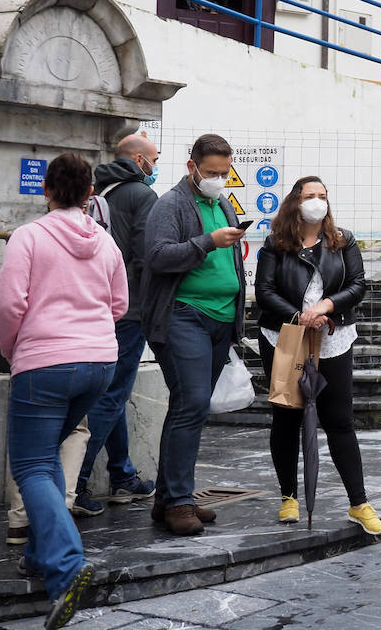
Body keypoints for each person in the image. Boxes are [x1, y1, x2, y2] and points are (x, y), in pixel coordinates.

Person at [0, 152, 126, 630]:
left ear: (45, 190)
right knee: (46, 453)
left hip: (42, 363)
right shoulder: (106, 243)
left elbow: (10, 303)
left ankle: (68, 567)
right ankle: (38, 555)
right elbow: (119, 304)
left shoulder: (29, 236)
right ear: (92, 194)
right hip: (98, 364)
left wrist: (15, 351)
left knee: (29, 464)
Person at [254, 176, 381, 535]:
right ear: (295, 201)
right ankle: (288, 497)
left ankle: (359, 503)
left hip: (333, 338)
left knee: (339, 419)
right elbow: (263, 291)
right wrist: (300, 316)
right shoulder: (275, 244)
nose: (317, 201)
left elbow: (358, 284)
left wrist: (326, 306)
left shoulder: (342, 240)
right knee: (286, 417)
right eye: (310, 196)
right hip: (286, 336)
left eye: (322, 196)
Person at [141, 133, 247, 536]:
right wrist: (207, 242)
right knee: (193, 403)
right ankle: (180, 502)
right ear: (192, 167)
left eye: (225, 172)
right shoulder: (169, 205)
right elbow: (157, 256)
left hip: (220, 320)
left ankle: (168, 498)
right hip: (183, 316)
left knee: (188, 407)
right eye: (212, 172)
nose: (219, 180)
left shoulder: (222, 204)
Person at [72, 134, 160, 517]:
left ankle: (122, 474)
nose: (155, 167)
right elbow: (147, 256)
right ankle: (76, 480)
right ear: (139, 160)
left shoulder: (98, 189)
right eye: (153, 160)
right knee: (111, 394)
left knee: (114, 391)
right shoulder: (142, 196)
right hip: (131, 307)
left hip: (97, 305)